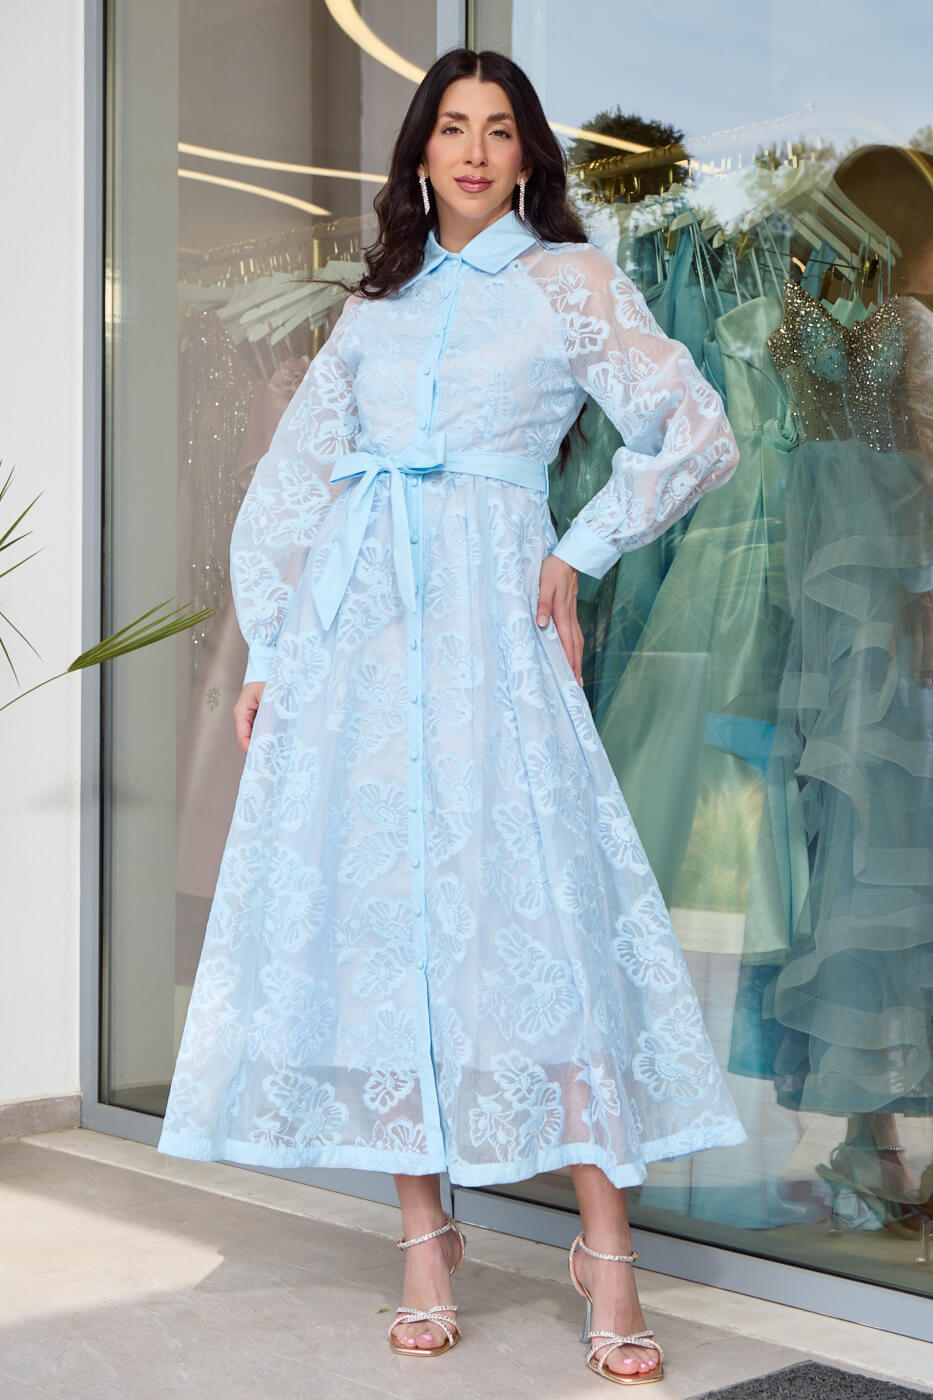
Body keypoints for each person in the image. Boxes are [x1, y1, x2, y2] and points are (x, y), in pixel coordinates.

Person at [158, 47, 745, 1385]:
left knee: (546, 918)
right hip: (359, 646)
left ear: (528, 155)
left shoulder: (570, 283)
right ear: (419, 153)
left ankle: (607, 1254)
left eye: (498, 130)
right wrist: (272, 649)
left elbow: (694, 429)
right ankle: (425, 1244)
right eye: (450, 128)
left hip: (493, 637)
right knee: (391, 930)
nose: (473, 151)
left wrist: (580, 550)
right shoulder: (376, 309)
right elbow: (289, 483)